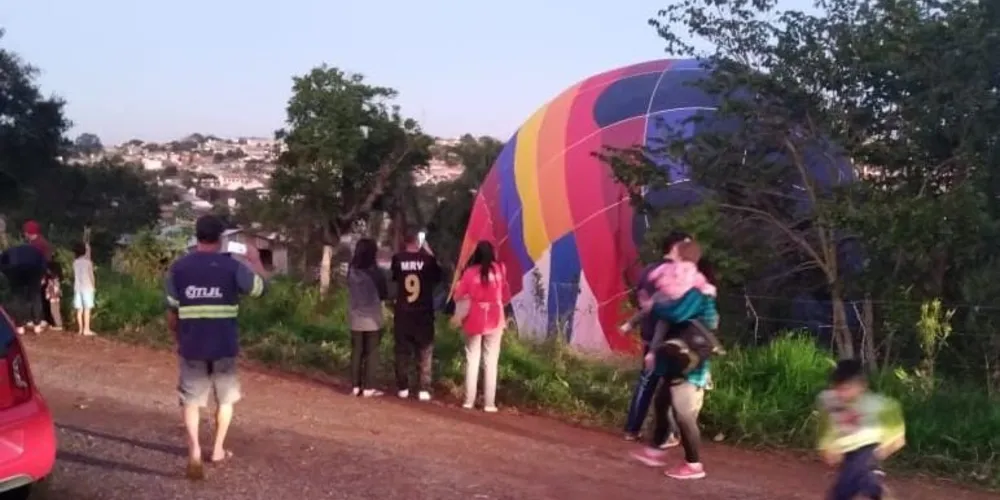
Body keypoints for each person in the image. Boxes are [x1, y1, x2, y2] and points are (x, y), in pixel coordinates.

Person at [164, 215, 268, 480]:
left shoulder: (178, 269)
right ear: (221, 238)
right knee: (225, 400)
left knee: (191, 401)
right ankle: (218, 449)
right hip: (224, 345)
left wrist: (179, 339)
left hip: (192, 345)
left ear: (197, 236)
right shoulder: (231, 267)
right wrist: (255, 259)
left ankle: (195, 452)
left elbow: (172, 315)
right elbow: (260, 289)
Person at [631, 240, 719, 480]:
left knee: (684, 414)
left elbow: (676, 313)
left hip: (691, 360)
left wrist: (654, 306)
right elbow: (666, 317)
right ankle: (655, 451)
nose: (670, 257)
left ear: (682, 259)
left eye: (674, 253)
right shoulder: (678, 286)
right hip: (676, 356)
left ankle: (693, 464)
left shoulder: (696, 290)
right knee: (662, 404)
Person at [622, 231, 694, 443]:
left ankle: (632, 429)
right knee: (672, 385)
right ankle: (667, 432)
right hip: (670, 337)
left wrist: (634, 322)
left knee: (647, 382)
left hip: (649, 333)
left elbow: (642, 299)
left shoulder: (648, 271)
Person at [818, 359, 905, 500]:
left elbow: (898, 438)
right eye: (838, 388)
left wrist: (883, 450)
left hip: (869, 448)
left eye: (847, 388)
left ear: (862, 386)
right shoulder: (829, 401)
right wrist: (827, 445)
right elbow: (828, 427)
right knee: (849, 486)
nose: (842, 394)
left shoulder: (881, 406)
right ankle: (877, 490)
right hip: (848, 453)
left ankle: (876, 489)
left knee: (844, 488)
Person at [451, 241, 509, 412]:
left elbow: (458, 295)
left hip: (474, 318)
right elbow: (504, 294)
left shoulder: (469, 273)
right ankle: (489, 404)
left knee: (472, 359)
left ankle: (469, 401)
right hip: (495, 318)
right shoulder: (500, 270)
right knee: (491, 361)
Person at [390, 231, 442, 401]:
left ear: (405, 242)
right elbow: (438, 276)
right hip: (424, 313)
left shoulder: (398, 259)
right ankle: (423, 388)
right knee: (425, 351)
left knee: (402, 351)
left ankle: (403, 387)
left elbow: (395, 279)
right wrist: (429, 252)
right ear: (418, 243)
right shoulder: (427, 260)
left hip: (403, 312)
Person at [347, 238, 388, 397]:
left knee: (356, 352)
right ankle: (369, 387)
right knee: (372, 353)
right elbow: (384, 294)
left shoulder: (351, 270)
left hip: (355, 318)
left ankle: (355, 387)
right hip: (373, 320)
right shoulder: (376, 273)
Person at [0, 242, 47, 335]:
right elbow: (43, 264)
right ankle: (37, 325)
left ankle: (20, 327)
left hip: (15, 269)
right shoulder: (36, 251)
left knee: (18, 298)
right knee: (35, 297)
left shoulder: (10, 251)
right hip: (33, 269)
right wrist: (42, 277)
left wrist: (7, 275)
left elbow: (2, 263)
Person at [72, 242, 97, 336]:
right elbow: (91, 276)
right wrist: (94, 286)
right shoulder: (88, 263)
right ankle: (87, 329)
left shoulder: (75, 263)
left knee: (79, 310)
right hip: (87, 287)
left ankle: (80, 329)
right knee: (87, 309)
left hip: (78, 288)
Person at [43, 261, 63, 331]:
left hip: (53, 295)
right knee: (55, 309)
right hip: (56, 295)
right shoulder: (56, 280)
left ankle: (58, 325)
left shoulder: (52, 281)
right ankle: (57, 324)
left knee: (54, 309)